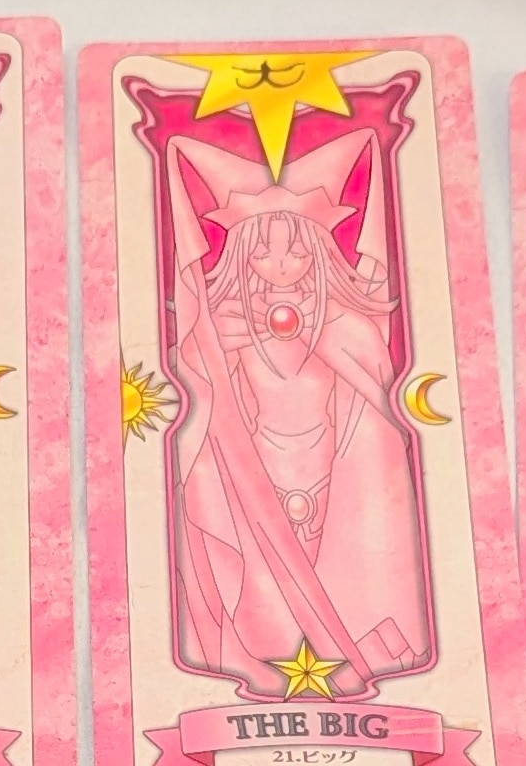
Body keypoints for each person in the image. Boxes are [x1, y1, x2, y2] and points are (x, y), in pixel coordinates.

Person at [164, 128, 431, 698]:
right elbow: (196, 401)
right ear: (241, 256)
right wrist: (211, 352)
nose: (281, 264)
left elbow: (381, 409)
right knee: (267, 609)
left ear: (319, 252)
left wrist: (327, 344)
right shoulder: (225, 326)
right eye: (263, 251)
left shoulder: (346, 325)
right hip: (256, 487)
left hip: (338, 484)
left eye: (296, 250)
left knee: (344, 593)